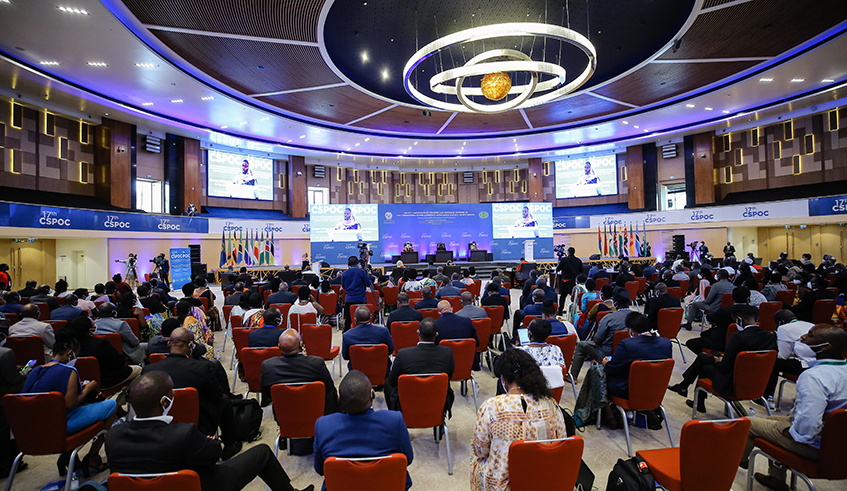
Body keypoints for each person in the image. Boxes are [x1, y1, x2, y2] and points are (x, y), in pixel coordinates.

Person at [107, 372, 311, 491]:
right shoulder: (183, 434)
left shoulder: (113, 437)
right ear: (165, 402)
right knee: (263, 453)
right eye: (172, 393)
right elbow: (214, 455)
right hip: (202, 486)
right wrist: (211, 442)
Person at [739, 324, 847, 491]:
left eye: (810, 335)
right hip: (839, 443)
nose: (803, 337)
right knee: (772, 420)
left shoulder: (814, 377)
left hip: (817, 446)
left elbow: (808, 424)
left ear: (825, 346)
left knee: (747, 424)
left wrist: (790, 433)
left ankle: (737, 462)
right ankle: (776, 479)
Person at [470, 349, 566, 491]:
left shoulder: (492, 406)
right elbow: (560, 442)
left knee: (475, 458)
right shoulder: (551, 404)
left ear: (503, 379)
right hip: (542, 478)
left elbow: (480, 451)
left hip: (504, 485)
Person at [141, 328, 243, 459]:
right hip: (199, 425)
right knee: (225, 400)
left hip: (159, 427)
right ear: (191, 345)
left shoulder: (149, 371)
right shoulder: (203, 368)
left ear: (169, 344)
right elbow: (217, 396)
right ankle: (230, 446)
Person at [23, 330, 116, 472]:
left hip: (33, 428)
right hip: (60, 426)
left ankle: (69, 456)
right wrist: (88, 389)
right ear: (70, 353)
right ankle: (93, 456)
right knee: (111, 405)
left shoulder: (34, 371)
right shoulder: (69, 371)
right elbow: (71, 404)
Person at [314, 370, 414, 490]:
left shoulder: (323, 425)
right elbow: (408, 459)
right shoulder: (394, 420)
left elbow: (320, 469)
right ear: (373, 395)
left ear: (340, 400)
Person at [668, 304, 776, 413]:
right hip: (758, 382)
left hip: (733, 382)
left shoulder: (737, 337)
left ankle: (694, 397)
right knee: (703, 357)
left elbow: (725, 368)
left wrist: (719, 361)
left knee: (704, 366)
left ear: (738, 319)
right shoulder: (770, 337)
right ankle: (685, 388)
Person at [574, 312, 672, 427]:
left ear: (631, 330)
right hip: (655, 389)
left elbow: (611, 370)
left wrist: (606, 363)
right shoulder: (666, 343)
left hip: (627, 390)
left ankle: (608, 415)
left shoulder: (627, 345)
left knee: (597, 371)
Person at [261, 328, 339, 424]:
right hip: (315, 412)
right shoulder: (316, 363)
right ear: (301, 344)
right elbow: (329, 389)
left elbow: (267, 394)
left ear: (279, 346)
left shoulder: (268, 366)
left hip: (284, 416)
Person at [385, 318, 454, 412]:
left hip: (408, 401)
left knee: (387, 385)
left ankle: (397, 416)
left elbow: (392, 382)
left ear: (418, 333)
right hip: (438, 401)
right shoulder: (447, 353)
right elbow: (449, 376)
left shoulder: (403, 354)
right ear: (436, 335)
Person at [571, 289, 633, 381]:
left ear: (615, 303)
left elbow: (597, 340)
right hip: (631, 352)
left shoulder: (608, 318)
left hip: (608, 353)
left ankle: (573, 377)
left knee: (581, 345)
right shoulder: (638, 317)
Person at [65, 317, 141, 391]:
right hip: (105, 381)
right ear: (89, 330)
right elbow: (120, 361)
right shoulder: (101, 343)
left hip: (76, 382)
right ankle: (122, 395)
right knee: (139, 369)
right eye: (93, 324)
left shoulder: (68, 347)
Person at [686, 286, 755, 355]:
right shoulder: (755, 311)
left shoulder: (725, 310)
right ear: (748, 298)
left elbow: (710, 317)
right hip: (748, 343)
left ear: (732, 297)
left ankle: (712, 358)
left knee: (691, 343)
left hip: (722, 342)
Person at [765, 310, 815, 398]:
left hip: (806, 364)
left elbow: (783, 356)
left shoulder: (784, 328)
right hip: (819, 361)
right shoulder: (810, 324)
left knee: (773, 363)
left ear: (781, 322)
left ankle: (768, 396)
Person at [341, 306, 393, 374]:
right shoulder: (384, 332)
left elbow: (346, 356)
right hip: (382, 372)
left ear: (355, 319)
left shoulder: (347, 335)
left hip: (357, 374)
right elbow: (391, 350)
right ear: (371, 317)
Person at [341, 256, 373, 332]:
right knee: (362, 318)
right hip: (360, 299)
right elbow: (368, 284)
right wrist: (370, 276)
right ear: (357, 263)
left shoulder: (344, 273)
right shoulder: (362, 272)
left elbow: (343, 286)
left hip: (349, 299)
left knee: (348, 319)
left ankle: (346, 334)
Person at [556, 247, 583, 315]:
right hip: (575, 281)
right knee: (575, 297)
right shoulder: (578, 260)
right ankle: (575, 311)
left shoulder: (564, 260)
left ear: (568, 252)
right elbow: (581, 271)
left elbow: (558, 269)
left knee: (563, 297)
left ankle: (560, 311)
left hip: (566, 281)